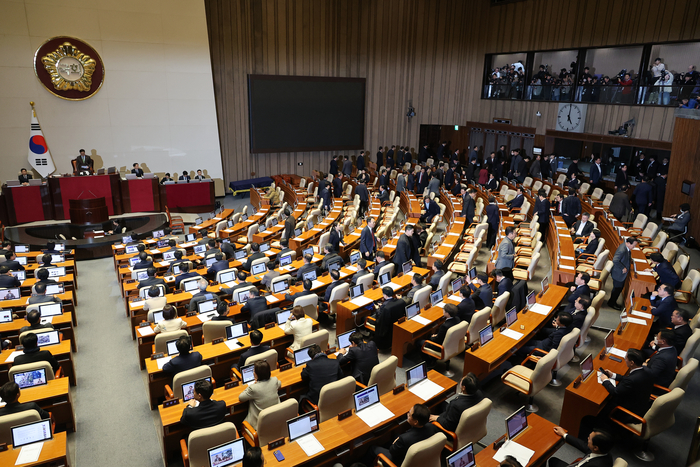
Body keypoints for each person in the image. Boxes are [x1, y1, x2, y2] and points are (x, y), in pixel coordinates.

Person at [368, 404, 437, 467]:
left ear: (416, 422)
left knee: (373, 448)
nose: (407, 414)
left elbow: (392, 452)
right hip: (420, 456)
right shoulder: (431, 427)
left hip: (400, 461)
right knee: (396, 435)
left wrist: (395, 443)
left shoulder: (404, 439)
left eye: (409, 414)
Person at [239, 361, 281, 430]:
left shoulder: (253, 388)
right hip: (275, 418)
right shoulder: (274, 380)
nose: (253, 373)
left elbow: (241, 397)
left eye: (254, 371)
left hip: (258, 424)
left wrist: (253, 384)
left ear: (257, 374)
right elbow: (279, 384)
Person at [549, 427, 614, 467]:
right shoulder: (603, 451)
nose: (587, 438)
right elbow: (582, 444)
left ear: (595, 448)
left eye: (589, 439)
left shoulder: (595, 465)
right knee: (553, 461)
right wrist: (564, 434)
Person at [607, 237, 638, 310]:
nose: (634, 247)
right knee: (617, 289)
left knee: (618, 289)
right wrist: (622, 267)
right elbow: (615, 260)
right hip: (618, 273)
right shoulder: (622, 250)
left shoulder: (625, 246)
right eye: (634, 245)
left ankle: (612, 301)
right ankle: (611, 303)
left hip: (619, 273)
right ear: (629, 243)